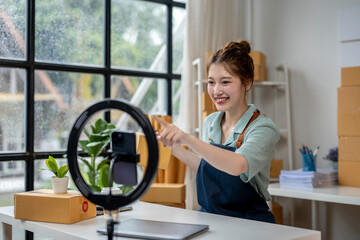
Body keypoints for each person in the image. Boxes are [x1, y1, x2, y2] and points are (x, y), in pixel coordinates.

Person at [152, 40, 280, 224]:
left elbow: (238, 166)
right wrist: (173, 148)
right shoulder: (210, 122)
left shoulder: (263, 128)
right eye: (211, 82)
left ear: (247, 83)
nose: (216, 90)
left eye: (225, 82)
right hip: (211, 217)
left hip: (250, 223)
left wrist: (186, 138)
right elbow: (209, 167)